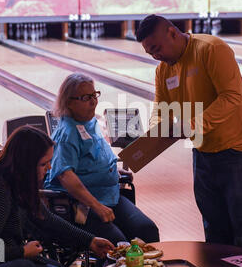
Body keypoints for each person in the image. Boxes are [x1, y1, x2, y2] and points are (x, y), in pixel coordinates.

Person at [136, 15, 242, 254]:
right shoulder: (163, 70)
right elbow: (161, 110)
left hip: (240, 149)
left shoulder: (212, 49)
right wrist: (152, 135)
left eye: (157, 48)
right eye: (150, 53)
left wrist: (190, 125)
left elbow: (232, 97)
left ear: (172, 33)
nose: (156, 56)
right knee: (215, 232)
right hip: (204, 153)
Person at [0, 126, 114, 267]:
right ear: (25, 164)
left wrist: (89, 241)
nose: (50, 167)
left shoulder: (16, 181)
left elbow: (46, 219)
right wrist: (21, 252)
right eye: (43, 164)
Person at [44, 73, 159, 245]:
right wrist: (97, 207)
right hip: (80, 205)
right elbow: (65, 175)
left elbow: (95, 157)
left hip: (109, 196)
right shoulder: (67, 134)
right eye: (85, 98)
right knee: (117, 244)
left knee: (146, 229)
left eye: (94, 95)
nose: (93, 102)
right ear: (69, 103)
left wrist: (112, 170)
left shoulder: (90, 123)